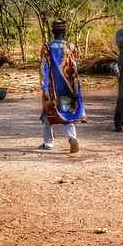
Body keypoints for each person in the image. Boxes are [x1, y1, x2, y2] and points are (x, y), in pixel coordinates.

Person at [39, 20, 86, 153]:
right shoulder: (71, 47)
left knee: (48, 113)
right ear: (64, 32)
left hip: (53, 87)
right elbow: (74, 66)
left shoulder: (47, 47)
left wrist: (44, 87)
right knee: (66, 112)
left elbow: (44, 68)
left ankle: (48, 143)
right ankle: (72, 138)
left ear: (52, 31)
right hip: (68, 87)